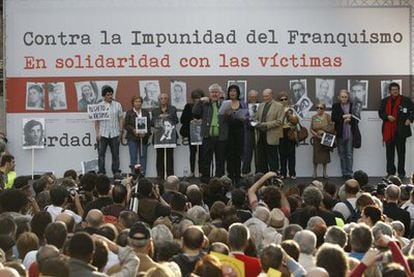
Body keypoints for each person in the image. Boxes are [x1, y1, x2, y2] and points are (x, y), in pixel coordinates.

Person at [193, 83, 228, 183]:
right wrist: (199, 101)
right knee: (206, 160)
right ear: (209, 93)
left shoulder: (224, 104)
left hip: (221, 137)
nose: (214, 94)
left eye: (216, 92)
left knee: (220, 160)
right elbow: (195, 113)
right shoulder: (205, 104)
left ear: (220, 93)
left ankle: (219, 181)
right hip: (208, 136)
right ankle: (205, 181)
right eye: (212, 92)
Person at [378, 82, 414, 178]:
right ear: (390, 91)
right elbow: (381, 113)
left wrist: (409, 119)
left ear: (399, 90)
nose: (395, 91)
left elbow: (412, 111)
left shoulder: (405, 100)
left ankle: (401, 173)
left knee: (401, 153)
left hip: (401, 130)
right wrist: (387, 116)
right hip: (388, 131)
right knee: (389, 154)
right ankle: (390, 173)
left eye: (397, 90)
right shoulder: (384, 101)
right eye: (393, 90)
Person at [95, 85, 123, 175]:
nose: (110, 96)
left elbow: (121, 118)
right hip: (103, 133)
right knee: (101, 154)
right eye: (108, 95)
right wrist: (97, 133)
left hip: (115, 133)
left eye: (111, 94)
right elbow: (96, 121)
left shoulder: (118, 105)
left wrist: (121, 131)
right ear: (104, 96)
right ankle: (101, 172)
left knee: (115, 154)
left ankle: (115, 172)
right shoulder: (99, 106)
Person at [255, 88, 284, 174]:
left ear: (271, 95)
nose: (265, 98)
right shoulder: (261, 105)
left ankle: (273, 178)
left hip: (271, 136)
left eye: (267, 96)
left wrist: (265, 124)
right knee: (261, 159)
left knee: (273, 160)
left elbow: (279, 121)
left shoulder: (279, 106)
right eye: (263, 96)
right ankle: (263, 178)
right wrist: (254, 122)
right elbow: (257, 118)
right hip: (260, 135)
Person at [332, 90, 359, 179]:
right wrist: (343, 117)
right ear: (339, 97)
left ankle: (349, 172)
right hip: (340, 133)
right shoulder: (335, 106)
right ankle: (344, 172)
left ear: (348, 97)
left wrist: (350, 119)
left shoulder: (353, 106)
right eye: (342, 97)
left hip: (350, 133)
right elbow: (333, 118)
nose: (344, 98)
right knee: (342, 154)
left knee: (349, 154)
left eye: (345, 97)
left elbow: (357, 119)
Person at [224, 85, 248, 185]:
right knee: (229, 155)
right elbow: (221, 117)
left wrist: (242, 117)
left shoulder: (243, 103)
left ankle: (238, 176)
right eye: (231, 91)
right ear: (228, 93)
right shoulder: (225, 103)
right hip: (228, 132)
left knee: (238, 154)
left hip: (239, 131)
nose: (232, 93)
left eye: (234, 91)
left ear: (238, 93)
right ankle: (230, 176)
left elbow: (247, 117)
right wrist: (226, 114)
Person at [152, 93, 178, 179]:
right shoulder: (155, 111)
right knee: (159, 156)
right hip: (158, 136)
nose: (163, 100)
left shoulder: (172, 109)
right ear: (159, 100)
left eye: (165, 98)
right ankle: (160, 175)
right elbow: (152, 122)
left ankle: (170, 175)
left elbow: (176, 120)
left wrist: (168, 116)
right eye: (161, 98)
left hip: (170, 136)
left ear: (168, 100)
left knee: (170, 156)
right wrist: (159, 117)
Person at [180, 89, 204, 177]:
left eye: (198, 98)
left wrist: (202, 120)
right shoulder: (188, 106)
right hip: (191, 132)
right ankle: (192, 171)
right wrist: (191, 120)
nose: (197, 100)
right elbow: (182, 119)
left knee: (202, 153)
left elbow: (207, 117)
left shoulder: (205, 106)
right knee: (192, 152)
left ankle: (201, 172)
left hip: (202, 133)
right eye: (195, 98)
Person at [124, 95, 151, 175]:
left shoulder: (145, 113)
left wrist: (145, 133)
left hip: (143, 138)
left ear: (142, 103)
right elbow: (126, 125)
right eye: (136, 101)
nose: (138, 103)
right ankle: (134, 175)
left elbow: (149, 125)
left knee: (143, 157)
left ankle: (142, 174)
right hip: (132, 138)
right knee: (133, 157)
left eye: (139, 101)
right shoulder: (129, 113)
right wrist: (133, 130)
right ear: (133, 103)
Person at [278, 91, 299, 179]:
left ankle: (292, 173)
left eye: (285, 99)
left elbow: (296, 121)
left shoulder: (292, 109)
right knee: (282, 154)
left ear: (288, 100)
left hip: (290, 132)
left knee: (291, 154)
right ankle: (283, 173)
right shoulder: (277, 109)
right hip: (280, 132)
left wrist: (288, 115)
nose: (283, 101)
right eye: (281, 99)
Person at [310, 103, 334, 178]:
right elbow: (311, 128)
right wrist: (316, 134)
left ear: (324, 109)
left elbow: (332, 127)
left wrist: (324, 132)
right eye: (317, 107)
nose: (319, 109)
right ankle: (314, 172)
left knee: (325, 156)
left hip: (326, 138)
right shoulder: (314, 117)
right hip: (317, 138)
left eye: (321, 108)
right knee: (316, 156)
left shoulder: (327, 116)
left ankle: (324, 172)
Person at [242, 89, 260, 175]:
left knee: (258, 153)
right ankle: (245, 172)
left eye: (255, 97)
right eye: (251, 97)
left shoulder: (261, 105)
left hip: (258, 131)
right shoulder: (244, 105)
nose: (253, 98)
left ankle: (258, 172)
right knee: (247, 153)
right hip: (247, 131)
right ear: (248, 97)